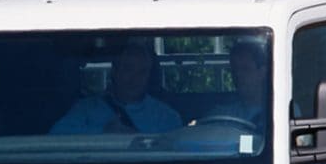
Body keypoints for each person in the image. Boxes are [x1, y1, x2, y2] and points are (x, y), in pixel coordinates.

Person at [50, 42, 182, 134]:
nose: (135, 78)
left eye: (142, 72)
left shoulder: (166, 117)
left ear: (149, 75)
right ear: (115, 71)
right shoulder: (86, 109)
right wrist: (102, 132)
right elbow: (56, 137)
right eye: (128, 69)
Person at [203, 40, 268, 127]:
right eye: (234, 70)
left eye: (245, 69)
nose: (238, 75)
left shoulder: (279, 112)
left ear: (262, 72)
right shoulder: (220, 115)